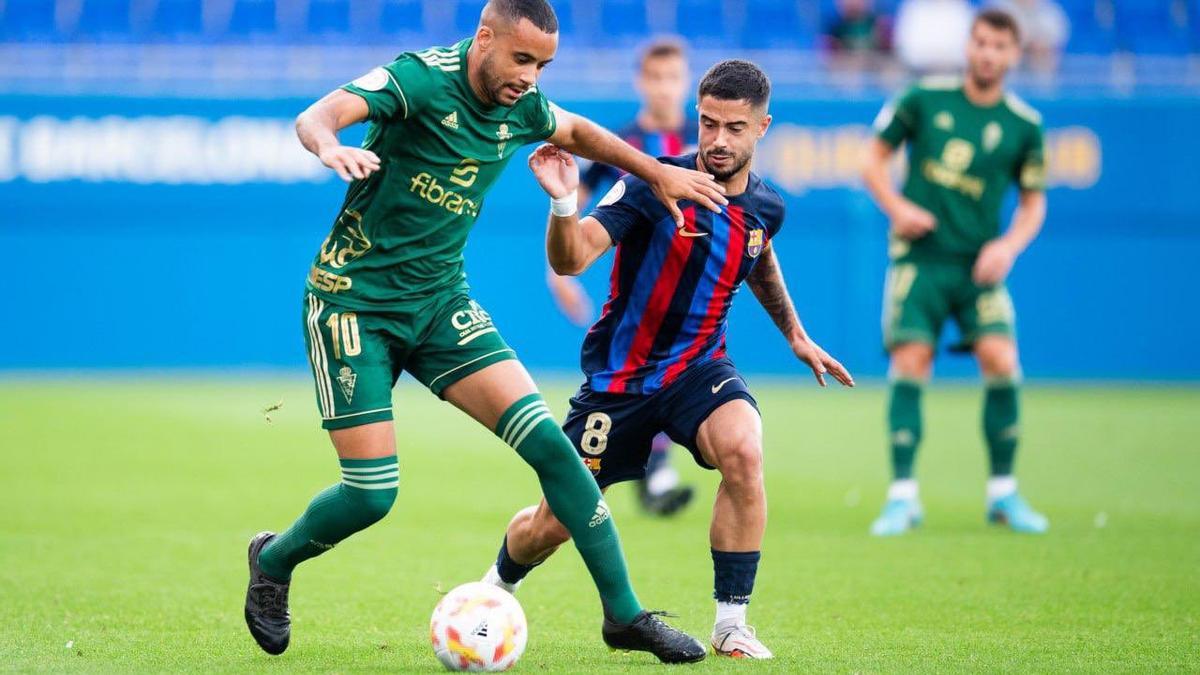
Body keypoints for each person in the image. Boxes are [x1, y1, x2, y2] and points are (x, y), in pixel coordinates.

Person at [243, 0, 729, 664]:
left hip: (441, 303)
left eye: (544, 65)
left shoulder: (522, 106)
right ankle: (273, 560)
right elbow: (316, 116)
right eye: (522, 58)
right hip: (353, 305)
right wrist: (330, 148)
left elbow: (581, 132)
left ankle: (624, 616)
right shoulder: (418, 80)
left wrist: (657, 170)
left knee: (556, 453)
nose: (531, 77)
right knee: (372, 494)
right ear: (485, 38)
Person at [482, 60, 854, 660]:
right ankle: (494, 589)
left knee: (744, 449)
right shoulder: (652, 182)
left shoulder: (767, 207)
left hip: (699, 370)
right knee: (551, 523)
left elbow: (755, 252)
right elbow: (572, 259)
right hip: (619, 381)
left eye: (735, 128)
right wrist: (560, 205)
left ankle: (732, 622)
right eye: (708, 124)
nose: (718, 140)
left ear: (763, 127)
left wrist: (796, 333)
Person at [861, 8, 1049, 536]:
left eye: (1000, 47)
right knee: (911, 362)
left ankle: (1003, 494)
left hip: (978, 267)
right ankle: (902, 497)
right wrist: (897, 208)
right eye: (982, 43)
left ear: (1014, 55)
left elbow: (1034, 204)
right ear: (969, 46)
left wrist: (1008, 245)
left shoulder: (1025, 125)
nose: (988, 54)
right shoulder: (924, 99)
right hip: (919, 260)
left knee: (1002, 360)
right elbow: (871, 159)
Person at [547, 38, 699, 518]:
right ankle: (643, 476)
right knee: (636, 374)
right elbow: (570, 203)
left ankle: (651, 475)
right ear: (641, 82)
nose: (663, 88)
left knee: (678, 373)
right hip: (634, 289)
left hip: (694, 286)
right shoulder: (619, 146)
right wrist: (560, 277)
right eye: (655, 78)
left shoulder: (703, 142)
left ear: (686, 82)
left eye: (672, 78)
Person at [893, 0, 974, 74]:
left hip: (955, 72)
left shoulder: (962, 9)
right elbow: (905, 49)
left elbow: (968, 48)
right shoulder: (914, 8)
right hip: (918, 73)